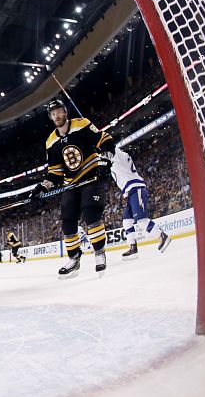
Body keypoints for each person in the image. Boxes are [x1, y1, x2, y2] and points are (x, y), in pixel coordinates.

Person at [29, 99, 115, 278]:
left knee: (91, 214)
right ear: (51, 118)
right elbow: (55, 173)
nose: (56, 116)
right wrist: (42, 187)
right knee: (67, 221)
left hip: (91, 177)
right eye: (53, 114)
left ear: (65, 112)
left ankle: (99, 253)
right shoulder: (50, 142)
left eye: (59, 111)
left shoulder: (81, 124)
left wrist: (105, 161)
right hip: (71, 184)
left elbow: (104, 140)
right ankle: (74, 258)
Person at [108, 146, 171, 259]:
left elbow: (110, 150)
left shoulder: (118, 154)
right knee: (127, 222)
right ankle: (133, 248)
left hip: (136, 189)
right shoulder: (114, 160)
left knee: (141, 221)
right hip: (131, 192)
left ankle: (162, 236)